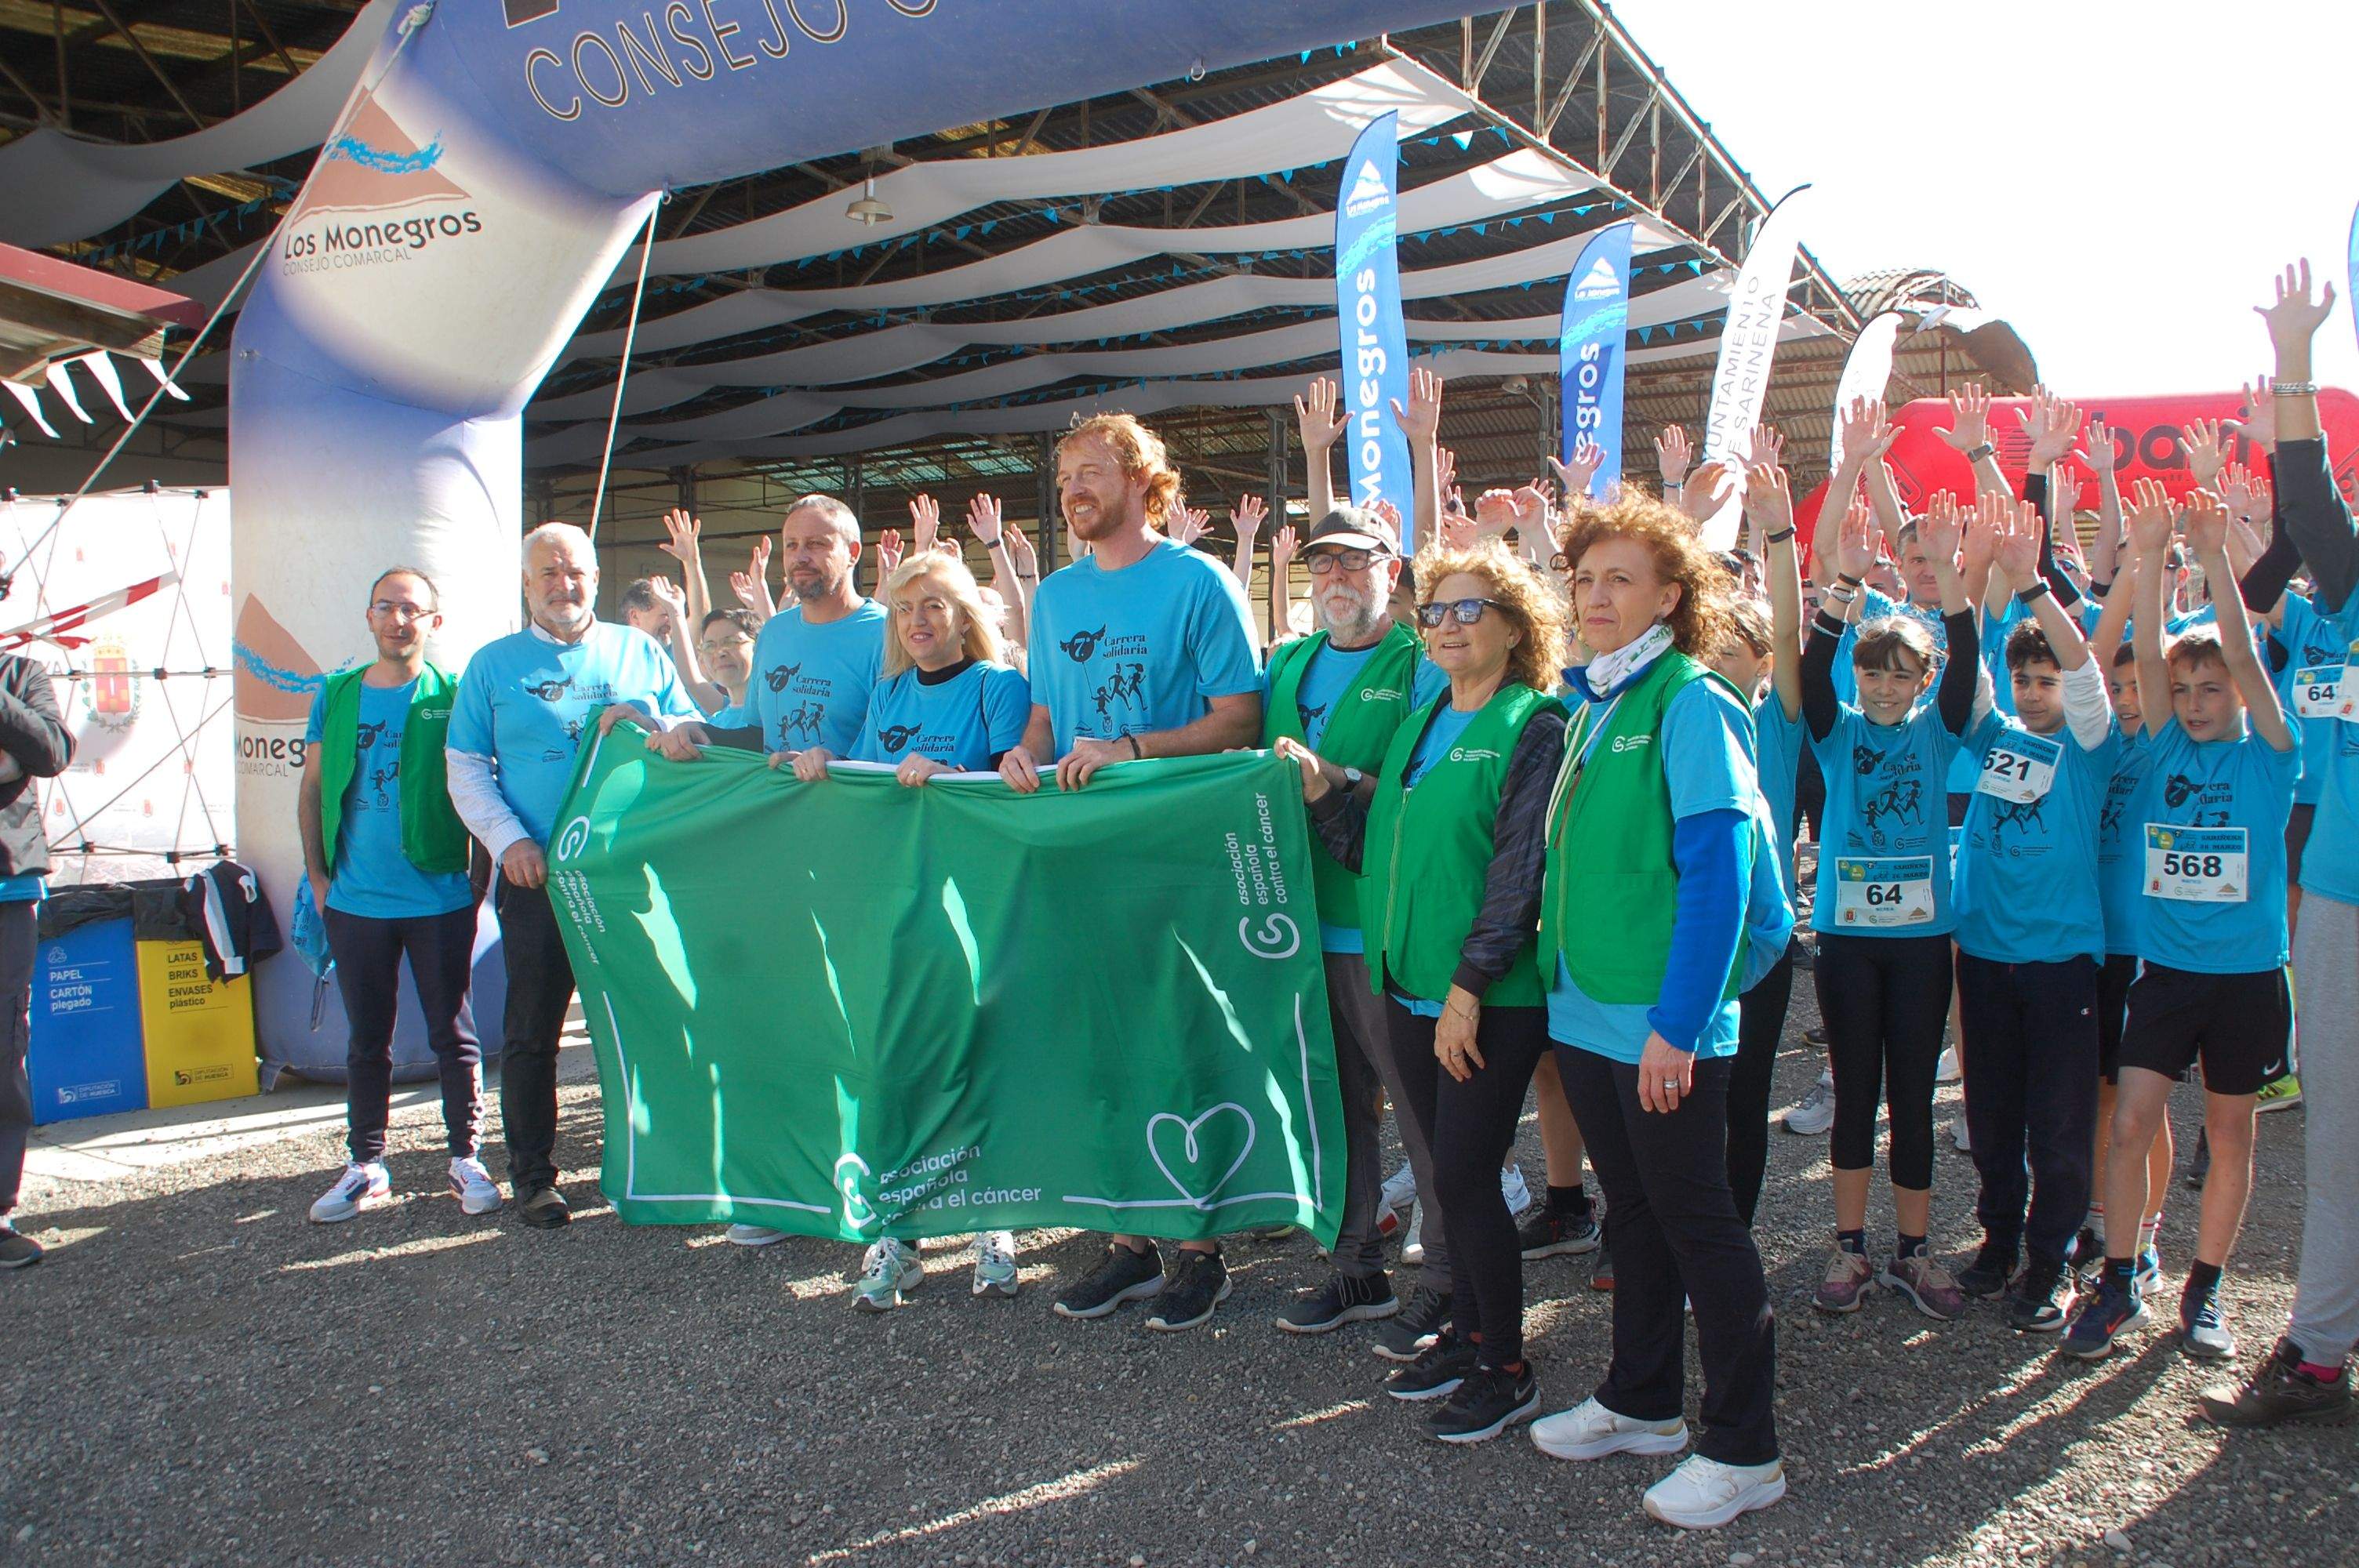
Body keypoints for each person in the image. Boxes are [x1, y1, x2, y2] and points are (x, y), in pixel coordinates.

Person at [1524, 491, 1788, 1528]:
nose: (1594, 594)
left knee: (1699, 1224)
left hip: (1661, 1025)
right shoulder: (1592, 701)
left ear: (1670, 597)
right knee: (1631, 1215)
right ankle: (1642, 1400)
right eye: (1584, 577)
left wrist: (1678, 1026)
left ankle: (1746, 1446)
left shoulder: (1689, 698)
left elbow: (1719, 874)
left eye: (1620, 578)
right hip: (1590, 1015)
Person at [1288, 541, 1569, 1444]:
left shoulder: (1534, 723)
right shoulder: (1419, 724)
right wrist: (1328, 786)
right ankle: (1467, 1332)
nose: (1446, 626)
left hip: (1482, 995)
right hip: (1402, 982)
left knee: (1469, 1181)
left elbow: (1516, 876)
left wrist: (1466, 988)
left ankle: (1505, 1366)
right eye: (1436, 611)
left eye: (1469, 610)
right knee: (1452, 1171)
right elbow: (1379, 846)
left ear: (1515, 627)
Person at [998, 412, 1263, 1331]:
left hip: (1170, 857)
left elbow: (1240, 718)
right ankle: (1125, 1237)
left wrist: (1132, 748)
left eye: (1093, 470)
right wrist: (1019, 754)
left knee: (1178, 1042)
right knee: (1097, 1045)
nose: (1074, 485)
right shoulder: (1057, 596)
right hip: (1077, 861)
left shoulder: (1198, 581)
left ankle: (1200, 1247)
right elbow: (1039, 715)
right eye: (1065, 470)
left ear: (1143, 482)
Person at [2066, 478, 2296, 1364]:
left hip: (2243, 976)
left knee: (2231, 1131)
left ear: (2237, 693)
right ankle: (2120, 1275)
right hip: (2162, 972)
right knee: (2128, 1122)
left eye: (2212, 688)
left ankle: (2204, 1288)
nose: (2196, 700)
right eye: (2186, 688)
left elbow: (2240, 650)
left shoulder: (2270, 754)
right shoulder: (2159, 739)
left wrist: (2208, 556)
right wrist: (2151, 556)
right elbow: (2149, 655)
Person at [787, 550, 1030, 1307]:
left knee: (976, 1057)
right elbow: (867, 791)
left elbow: (1015, 793)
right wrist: (824, 761)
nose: (917, 622)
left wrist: (954, 777)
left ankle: (994, 1216)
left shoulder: (998, 687)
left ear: (965, 616)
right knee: (895, 1066)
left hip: (973, 909)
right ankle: (901, 1230)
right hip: (895, 909)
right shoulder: (887, 692)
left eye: (933, 606)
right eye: (903, 609)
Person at [2198, 260, 2356, 1423]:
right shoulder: (2342, 588)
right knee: (2345, 1128)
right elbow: (2301, 523)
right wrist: (2296, 362)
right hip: (2343, 886)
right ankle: (2318, 1350)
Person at [643, 493, 886, 1248]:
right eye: (792, 546)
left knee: (864, 1023)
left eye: (818, 544)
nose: (802, 557)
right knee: (791, 1016)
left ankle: (881, 1183)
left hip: (860, 855)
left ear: (853, 553)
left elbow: (902, 733)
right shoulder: (776, 635)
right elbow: (762, 732)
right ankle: (793, 1186)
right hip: (779, 854)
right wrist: (697, 731)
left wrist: (840, 765)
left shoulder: (886, 632)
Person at [446, 523, 702, 1228]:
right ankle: (534, 1178)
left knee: (659, 1016)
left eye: (576, 572)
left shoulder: (639, 650)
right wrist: (508, 843)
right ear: (527, 584)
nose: (564, 585)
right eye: (548, 574)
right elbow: (465, 768)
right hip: (537, 879)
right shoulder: (492, 665)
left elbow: (692, 729)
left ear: (595, 576)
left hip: (628, 874)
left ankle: (668, 1167)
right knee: (533, 1032)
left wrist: (651, 717)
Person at [1262, 506, 1446, 1345]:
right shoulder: (1290, 662)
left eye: (1353, 561)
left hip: (1383, 931)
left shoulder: (1421, 663)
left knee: (1422, 1116)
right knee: (1336, 1114)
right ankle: (1353, 1267)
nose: (1335, 577)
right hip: (1299, 932)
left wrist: (1335, 776)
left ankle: (1448, 1279)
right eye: (1321, 564)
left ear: (1392, 568)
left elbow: (1431, 786)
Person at [1801, 487, 1986, 1323]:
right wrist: (1839, 588)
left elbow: (1966, 657)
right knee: (1853, 1092)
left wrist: (1946, 577)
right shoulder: (1837, 728)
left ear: (1921, 677)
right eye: (1872, 671)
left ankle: (1913, 1249)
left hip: (1918, 939)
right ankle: (1848, 1244)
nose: (1881, 685)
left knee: (1911, 1090)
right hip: (1845, 939)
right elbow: (1811, 671)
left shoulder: (1935, 729)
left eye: (1897, 672)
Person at [1946, 497, 2117, 1332]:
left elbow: (2088, 674)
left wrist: (2031, 584)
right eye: (2024, 677)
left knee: (2057, 1121)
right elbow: (1967, 675)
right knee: (1991, 1112)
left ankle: (2048, 1262)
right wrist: (1972, 580)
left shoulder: (2091, 745)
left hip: (2058, 962)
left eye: (2044, 677)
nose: (2033, 689)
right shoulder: (1994, 736)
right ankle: (1996, 1241)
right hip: (1983, 953)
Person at [299, 568, 497, 1224]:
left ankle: (465, 1157)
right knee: (367, 1039)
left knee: (454, 1034)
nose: (398, 619)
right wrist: (321, 880)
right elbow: (311, 790)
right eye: (386, 607)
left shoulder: (453, 694)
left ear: (433, 622)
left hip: (438, 898)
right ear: (369, 616)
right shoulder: (337, 693)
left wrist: (476, 878)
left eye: (412, 609)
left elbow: (477, 786)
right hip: (356, 904)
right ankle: (366, 1164)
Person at [1717, 456, 1808, 1225]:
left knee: (1743, 1098)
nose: (1714, 658)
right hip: (1682, 935)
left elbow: (1785, 622)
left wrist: (1777, 533)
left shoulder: (1772, 720)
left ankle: (1731, 1235)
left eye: (1730, 646)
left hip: (1760, 942)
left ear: (1760, 662)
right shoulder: (1674, 714)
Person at [0, 619, 74, 1270]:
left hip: (6, 892)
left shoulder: (21, 675)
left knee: (2, 1049)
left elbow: (49, 752)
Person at [696, 608, 760, 726]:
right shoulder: (714, 724)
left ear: (758, 647)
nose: (720, 652)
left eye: (731, 642)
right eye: (710, 646)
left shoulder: (775, 717)